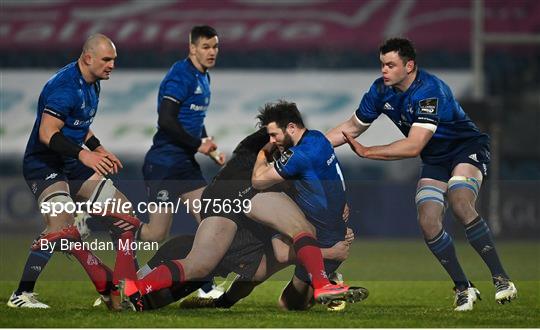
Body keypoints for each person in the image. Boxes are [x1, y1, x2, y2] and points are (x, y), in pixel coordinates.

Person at [326, 37, 517, 311]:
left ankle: (501, 279)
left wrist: (369, 152)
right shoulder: (380, 91)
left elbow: (414, 145)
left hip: (466, 149)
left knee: (460, 202)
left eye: (390, 65)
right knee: (428, 222)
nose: (384, 70)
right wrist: (312, 145)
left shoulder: (429, 90)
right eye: (382, 64)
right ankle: (464, 288)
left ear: (409, 65)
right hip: (435, 160)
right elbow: (351, 128)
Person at [119, 125, 366, 309]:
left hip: (227, 225)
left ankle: (142, 289)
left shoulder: (282, 177)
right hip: (222, 214)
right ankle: (134, 283)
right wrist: (329, 252)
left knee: (236, 272)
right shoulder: (269, 173)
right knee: (200, 265)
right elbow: (281, 253)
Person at [7, 34, 135, 309]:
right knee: (61, 224)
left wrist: (98, 147)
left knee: (124, 213)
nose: (112, 65)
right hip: (44, 165)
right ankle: (21, 294)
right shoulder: (64, 87)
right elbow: (46, 133)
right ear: (88, 58)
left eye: (114, 59)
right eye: (107, 59)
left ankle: (120, 289)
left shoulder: (93, 82)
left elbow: (79, 123)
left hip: (71, 162)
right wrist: (84, 154)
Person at [251, 100, 359, 307]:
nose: (273, 141)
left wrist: (262, 153)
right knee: (287, 285)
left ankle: (326, 283)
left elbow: (258, 180)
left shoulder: (298, 155)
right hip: (331, 229)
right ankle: (327, 283)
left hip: (324, 238)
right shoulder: (317, 138)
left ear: (291, 127)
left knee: (289, 304)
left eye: (274, 135)